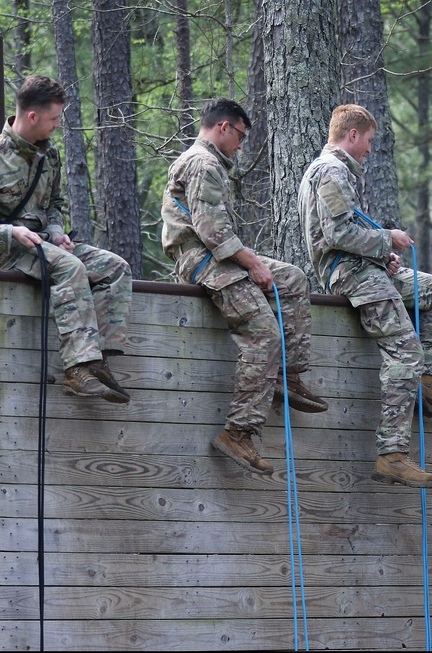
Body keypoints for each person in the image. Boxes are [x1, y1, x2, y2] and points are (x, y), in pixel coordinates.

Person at [161, 98, 328, 475]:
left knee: (292, 278)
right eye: (240, 135)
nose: (241, 144)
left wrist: (251, 261)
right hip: (202, 259)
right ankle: (238, 432)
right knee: (264, 334)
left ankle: (288, 374)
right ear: (223, 127)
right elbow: (210, 230)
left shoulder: (211, 163)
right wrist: (250, 262)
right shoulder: (203, 163)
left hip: (217, 255)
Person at [298, 104, 432, 489]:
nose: (370, 149)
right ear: (352, 135)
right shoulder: (332, 172)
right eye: (368, 141)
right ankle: (392, 454)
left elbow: (346, 233)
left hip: (363, 267)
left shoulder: (333, 172)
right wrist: (389, 237)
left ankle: (425, 382)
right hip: (351, 275)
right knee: (405, 352)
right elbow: (337, 236)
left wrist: (379, 253)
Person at [0, 74, 132, 404]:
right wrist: (11, 232)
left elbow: (55, 203)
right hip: (1, 250)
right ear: (32, 116)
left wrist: (58, 230)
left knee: (114, 268)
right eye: (54, 118)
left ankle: (96, 360)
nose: (57, 126)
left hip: (43, 243)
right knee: (69, 267)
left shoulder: (49, 156)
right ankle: (76, 370)